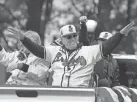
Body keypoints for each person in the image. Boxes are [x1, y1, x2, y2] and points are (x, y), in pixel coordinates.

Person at [7, 21, 135, 87]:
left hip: (80, 95)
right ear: (61, 39)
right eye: (68, 37)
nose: (72, 39)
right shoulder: (54, 51)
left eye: (74, 35)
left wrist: (120, 34)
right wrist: (23, 38)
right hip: (57, 95)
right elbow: (36, 49)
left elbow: (107, 46)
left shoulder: (88, 51)